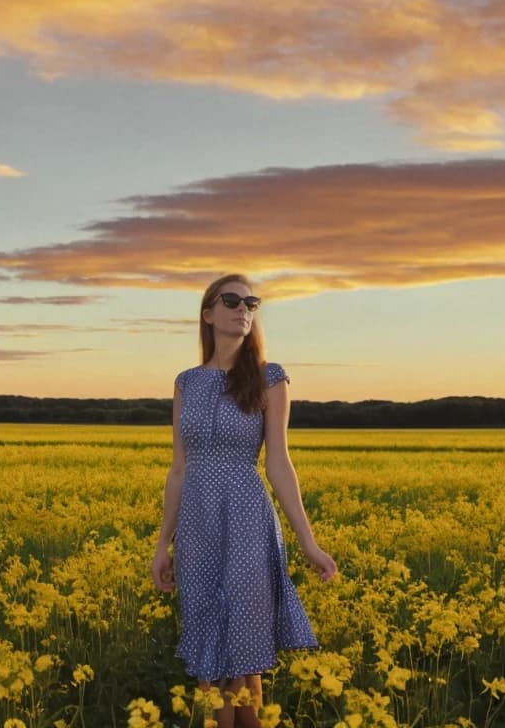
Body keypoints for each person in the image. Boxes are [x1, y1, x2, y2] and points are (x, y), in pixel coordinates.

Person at [151, 273, 337, 728]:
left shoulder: (269, 378)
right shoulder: (185, 383)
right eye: (231, 300)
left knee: (242, 649)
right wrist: (162, 544)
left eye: (251, 303)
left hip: (249, 519)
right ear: (208, 313)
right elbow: (179, 468)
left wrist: (308, 543)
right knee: (209, 651)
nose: (243, 309)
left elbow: (278, 464)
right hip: (197, 524)